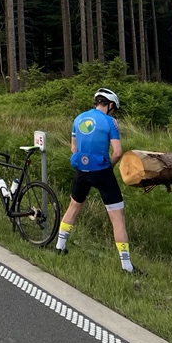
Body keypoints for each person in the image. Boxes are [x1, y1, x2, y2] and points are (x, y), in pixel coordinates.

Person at [56, 88, 145, 276]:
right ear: (110, 105)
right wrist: (108, 167)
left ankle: (59, 246)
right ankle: (127, 266)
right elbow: (118, 152)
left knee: (73, 206)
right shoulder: (110, 122)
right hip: (102, 172)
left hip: (81, 170)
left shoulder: (78, 118)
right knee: (117, 218)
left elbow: (73, 147)